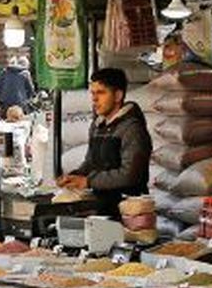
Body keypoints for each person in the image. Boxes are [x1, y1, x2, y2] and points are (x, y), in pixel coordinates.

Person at [57, 67, 152, 217]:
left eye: (101, 93)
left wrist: (88, 182)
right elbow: (91, 162)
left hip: (129, 211)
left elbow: (130, 175)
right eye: (93, 93)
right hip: (103, 206)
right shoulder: (97, 126)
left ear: (118, 96)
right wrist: (74, 176)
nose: (94, 99)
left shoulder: (132, 129)